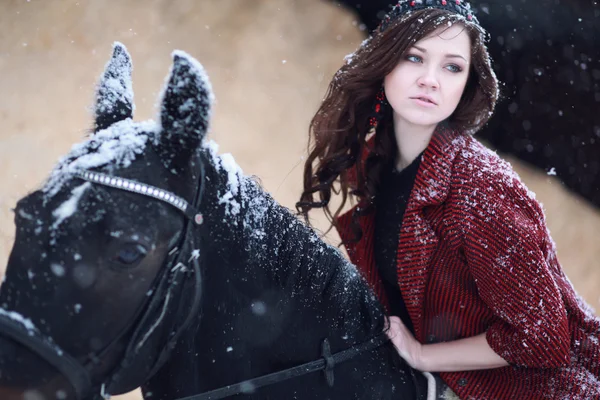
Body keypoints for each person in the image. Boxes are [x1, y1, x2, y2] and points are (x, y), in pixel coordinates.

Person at [296, 0, 600, 399]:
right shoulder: (376, 164)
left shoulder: (481, 186)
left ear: (467, 84)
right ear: (385, 63)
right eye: (414, 57)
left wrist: (423, 355)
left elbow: (542, 338)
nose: (430, 79)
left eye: (452, 66)